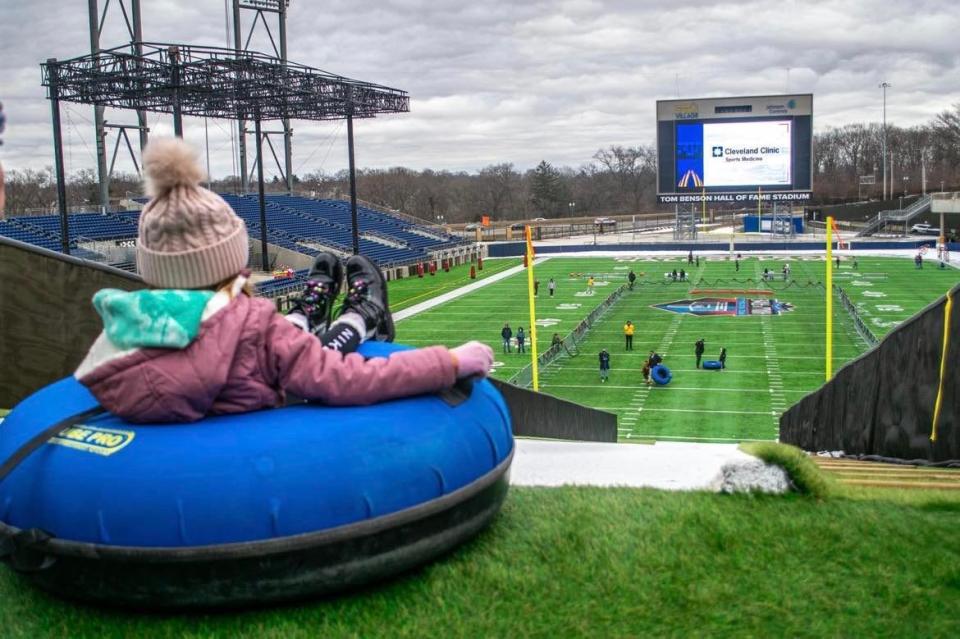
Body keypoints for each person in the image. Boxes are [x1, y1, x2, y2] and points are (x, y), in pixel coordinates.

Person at [73, 138, 493, 424]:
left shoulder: (120, 330)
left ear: (151, 269)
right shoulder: (255, 327)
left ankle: (305, 314)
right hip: (260, 431)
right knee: (305, 352)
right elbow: (346, 379)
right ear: (232, 259)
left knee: (282, 340)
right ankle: (359, 320)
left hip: (183, 453)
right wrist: (450, 362)